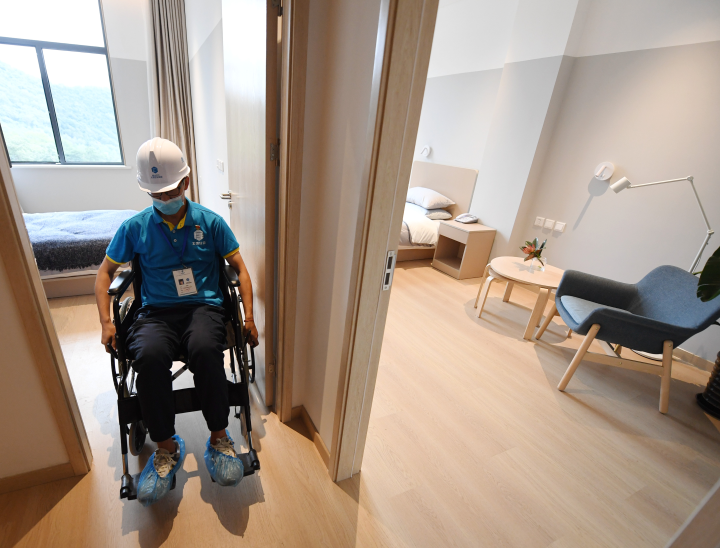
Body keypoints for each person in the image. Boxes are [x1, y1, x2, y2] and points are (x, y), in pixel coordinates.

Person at [95, 138, 259, 506]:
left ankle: (219, 439)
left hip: (204, 309)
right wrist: (106, 322)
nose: (164, 197)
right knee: (150, 357)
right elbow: (104, 274)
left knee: (205, 350)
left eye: (170, 190)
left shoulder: (210, 222)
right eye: (156, 193)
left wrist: (249, 317)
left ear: (186, 182)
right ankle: (166, 447)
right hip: (155, 312)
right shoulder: (135, 227)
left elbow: (241, 270)